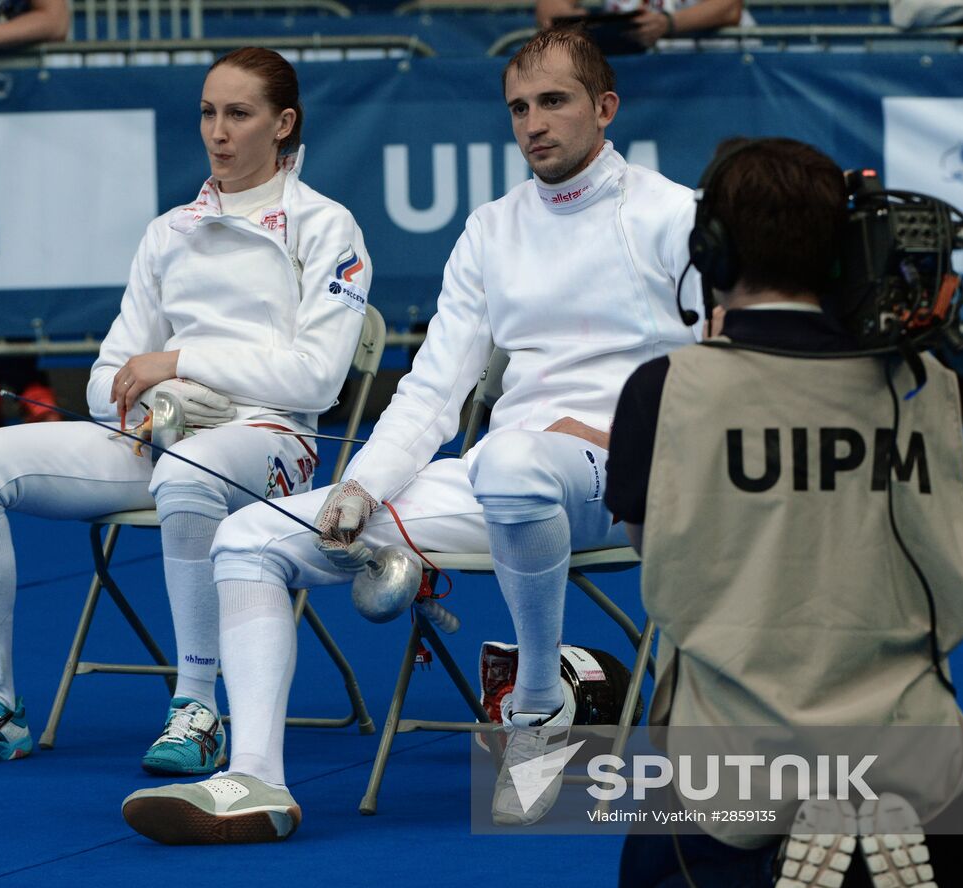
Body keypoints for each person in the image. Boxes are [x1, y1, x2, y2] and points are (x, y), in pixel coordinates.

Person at [119, 27, 701, 845]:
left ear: (605, 109)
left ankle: (537, 709)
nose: (534, 122)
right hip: (510, 481)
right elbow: (431, 391)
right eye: (520, 108)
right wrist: (363, 485)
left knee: (510, 460)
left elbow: (728, 365)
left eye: (556, 102)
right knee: (252, 536)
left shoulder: (675, 215)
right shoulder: (491, 231)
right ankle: (256, 778)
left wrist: (631, 426)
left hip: (630, 482)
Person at [0, 48, 373, 777]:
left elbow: (314, 381)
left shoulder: (326, 227)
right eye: (208, 113)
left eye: (239, 114)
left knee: (186, 474)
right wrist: (159, 401)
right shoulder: (170, 231)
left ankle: (198, 709)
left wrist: (180, 364)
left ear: (283, 124)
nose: (218, 132)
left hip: (273, 441)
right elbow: (105, 381)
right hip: (163, 438)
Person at [604, 137, 963, 888]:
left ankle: (776, 869)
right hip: (907, 754)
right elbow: (956, 575)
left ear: (712, 249)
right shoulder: (922, 379)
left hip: (736, 767)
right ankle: (868, 869)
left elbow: (651, 547)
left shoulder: (666, 389)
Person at [535, 0, 750, 52]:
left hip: (717, 63)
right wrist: (570, 19)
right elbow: (550, 8)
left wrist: (668, 24)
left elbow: (729, 7)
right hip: (644, 70)